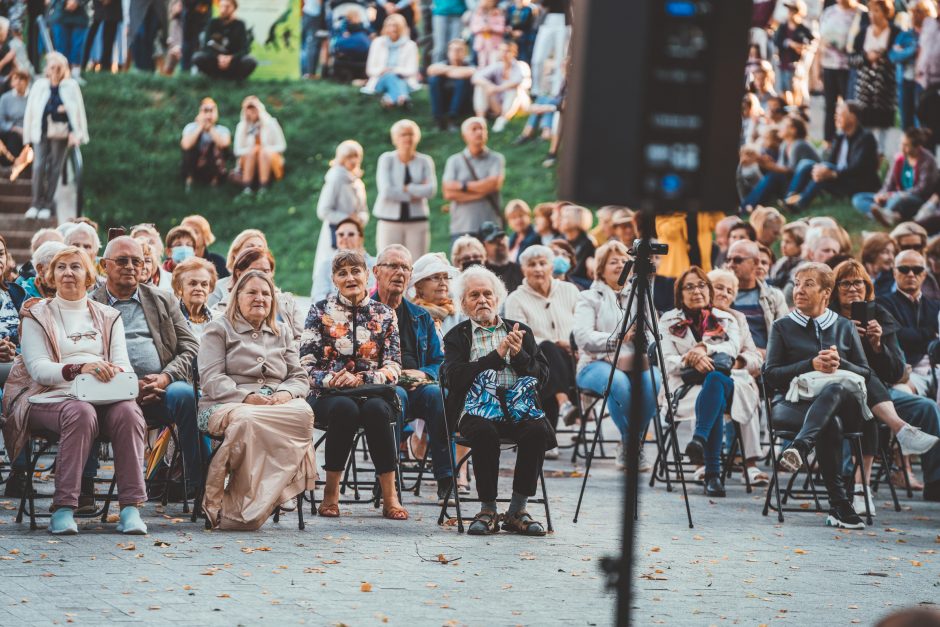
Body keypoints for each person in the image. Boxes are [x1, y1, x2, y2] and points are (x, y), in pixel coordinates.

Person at [766, 262, 939, 528]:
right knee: (831, 422)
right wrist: (810, 364)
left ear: (826, 292)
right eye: (797, 283)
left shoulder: (844, 326)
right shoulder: (782, 326)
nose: (798, 290)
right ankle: (841, 505)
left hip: (840, 402)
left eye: (808, 284)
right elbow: (770, 377)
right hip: (794, 403)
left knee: (839, 387)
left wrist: (839, 364)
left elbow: (864, 373)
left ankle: (802, 446)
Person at [2, 246, 148, 535]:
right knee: (80, 412)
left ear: (89, 276)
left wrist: (110, 372)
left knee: (129, 412)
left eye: (75, 267)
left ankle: (131, 508)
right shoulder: (36, 314)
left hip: (100, 394)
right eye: (61, 267)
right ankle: (64, 508)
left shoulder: (108, 316)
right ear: (51, 276)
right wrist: (79, 368)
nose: (68, 272)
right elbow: (39, 369)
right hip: (47, 397)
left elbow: (123, 366)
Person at [198, 270, 316, 530]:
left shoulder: (281, 331)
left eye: (266, 293)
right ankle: (233, 504)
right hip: (226, 403)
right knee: (246, 419)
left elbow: (299, 377)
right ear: (236, 297)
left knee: (304, 413)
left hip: (276, 402)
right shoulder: (217, 329)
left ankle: (274, 491)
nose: (260, 298)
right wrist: (247, 397)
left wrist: (286, 393)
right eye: (252, 292)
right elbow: (211, 379)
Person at [442, 265, 554, 536]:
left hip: (518, 409)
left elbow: (543, 377)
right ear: (463, 303)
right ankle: (488, 509)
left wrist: (518, 356)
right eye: (474, 295)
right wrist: (496, 355)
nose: (482, 300)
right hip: (475, 411)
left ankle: (518, 510)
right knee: (483, 431)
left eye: (487, 294)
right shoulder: (458, 336)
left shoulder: (520, 331)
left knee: (537, 429)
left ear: (498, 298)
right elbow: (453, 379)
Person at [300, 250, 408, 521]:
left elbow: (394, 366)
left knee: (376, 411)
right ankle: (331, 494)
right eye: (342, 273)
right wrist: (334, 378)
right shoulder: (319, 311)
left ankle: (389, 497)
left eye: (355, 271)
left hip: (372, 391)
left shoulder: (385, 314)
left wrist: (363, 379)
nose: (350, 277)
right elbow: (306, 364)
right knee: (345, 409)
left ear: (367, 274)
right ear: (334, 279)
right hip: (328, 394)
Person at [91, 236, 201, 501]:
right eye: (122, 260)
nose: (130, 266)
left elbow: (190, 347)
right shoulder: (90, 303)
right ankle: (84, 490)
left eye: (136, 261)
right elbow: (84, 358)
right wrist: (128, 387)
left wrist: (166, 377)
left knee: (185, 395)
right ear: (105, 265)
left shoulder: (162, 300)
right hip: (109, 394)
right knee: (84, 405)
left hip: (159, 391)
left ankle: (196, 486)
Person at [829, 259, 940, 504]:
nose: (852, 288)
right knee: (861, 392)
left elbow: (896, 371)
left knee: (927, 407)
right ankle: (897, 432)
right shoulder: (828, 317)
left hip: (883, 395)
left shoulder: (879, 315)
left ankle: (935, 483)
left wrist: (877, 345)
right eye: (844, 283)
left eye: (858, 282)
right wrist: (847, 337)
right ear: (834, 289)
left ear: (867, 287)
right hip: (838, 393)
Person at [371, 245, 454, 502]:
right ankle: (387, 479)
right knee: (395, 396)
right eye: (392, 266)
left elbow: (439, 362)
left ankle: (446, 479)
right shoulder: (364, 314)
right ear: (376, 271)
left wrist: (425, 374)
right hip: (380, 388)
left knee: (439, 395)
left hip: (418, 386)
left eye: (405, 267)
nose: (399, 272)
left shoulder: (421, 316)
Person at [573, 241, 660, 471]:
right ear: (600, 268)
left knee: (654, 380)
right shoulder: (589, 297)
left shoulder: (639, 294)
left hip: (634, 363)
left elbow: (653, 333)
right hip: (595, 363)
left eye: (624, 260)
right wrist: (617, 339)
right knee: (617, 381)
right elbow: (583, 337)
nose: (620, 265)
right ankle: (631, 444)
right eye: (614, 261)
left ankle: (631, 443)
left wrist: (648, 287)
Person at [659, 267, 742, 497]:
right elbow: (665, 361)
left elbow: (732, 349)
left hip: (728, 388)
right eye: (690, 286)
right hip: (684, 390)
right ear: (679, 294)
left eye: (702, 285)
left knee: (715, 381)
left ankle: (700, 442)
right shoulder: (668, 321)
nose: (697, 290)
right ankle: (713, 474)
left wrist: (705, 349)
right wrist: (690, 359)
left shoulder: (726, 319)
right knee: (712, 390)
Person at [505, 244, 580, 436]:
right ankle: (563, 403)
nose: (538, 269)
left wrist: (574, 345)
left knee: (549, 364)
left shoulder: (570, 290)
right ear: (524, 269)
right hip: (532, 362)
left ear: (551, 267)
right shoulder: (516, 298)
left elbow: (582, 324)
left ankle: (547, 437)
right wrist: (556, 343)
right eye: (532, 264)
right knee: (546, 350)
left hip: (575, 359)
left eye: (542, 263)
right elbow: (520, 335)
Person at [708, 268, 768, 485]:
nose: (725, 293)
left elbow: (755, 355)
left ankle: (749, 465)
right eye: (719, 287)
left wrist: (741, 361)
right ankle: (702, 464)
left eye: (730, 290)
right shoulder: (695, 314)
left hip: (736, 375)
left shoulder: (738, 318)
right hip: (704, 375)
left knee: (747, 386)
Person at [22, 52, 87, 222]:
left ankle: (47, 204)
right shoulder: (40, 85)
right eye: (52, 67)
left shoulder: (70, 86)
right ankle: (36, 203)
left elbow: (76, 112)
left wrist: (76, 132)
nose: (55, 70)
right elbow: (32, 110)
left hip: (60, 133)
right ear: (47, 68)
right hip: (41, 131)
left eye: (58, 67)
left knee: (55, 168)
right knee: (38, 166)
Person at [784, 101, 880, 212]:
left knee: (824, 167)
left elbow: (857, 168)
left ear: (852, 118)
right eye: (836, 115)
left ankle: (799, 205)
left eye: (840, 115)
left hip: (857, 183)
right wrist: (824, 170)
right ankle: (789, 199)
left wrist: (833, 173)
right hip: (839, 177)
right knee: (806, 164)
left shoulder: (866, 138)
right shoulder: (839, 136)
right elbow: (830, 161)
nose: (836, 118)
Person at [877, 249, 940, 396]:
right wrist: (930, 333)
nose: (911, 274)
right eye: (904, 269)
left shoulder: (936, 306)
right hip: (908, 371)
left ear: (924, 274)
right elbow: (897, 336)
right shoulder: (882, 304)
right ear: (894, 272)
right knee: (901, 393)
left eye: (917, 269)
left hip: (937, 367)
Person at [212, 247, 304, 343]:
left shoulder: (288, 304)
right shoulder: (222, 310)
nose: (261, 276)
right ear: (239, 274)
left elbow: (302, 340)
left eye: (266, 271)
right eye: (254, 271)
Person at [373, 119, 436, 256]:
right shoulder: (386, 159)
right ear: (395, 138)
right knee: (387, 261)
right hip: (389, 221)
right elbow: (386, 191)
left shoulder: (425, 161)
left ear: (417, 137)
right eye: (403, 134)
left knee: (417, 264)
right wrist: (415, 192)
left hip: (417, 221)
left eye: (411, 134)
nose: (407, 138)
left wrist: (408, 188)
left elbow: (431, 190)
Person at [313, 140, 369, 290]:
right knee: (335, 266)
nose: (353, 161)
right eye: (349, 157)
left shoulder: (357, 182)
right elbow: (323, 210)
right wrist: (346, 218)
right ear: (341, 158)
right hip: (336, 233)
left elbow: (364, 211)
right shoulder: (335, 179)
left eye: (356, 156)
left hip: (354, 234)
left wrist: (359, 219)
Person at [855, 128, 939, 226]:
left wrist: (894, 195)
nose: (901, 148)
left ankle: (880, 214)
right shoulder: (899, 159)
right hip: (894, 197)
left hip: (915, 198)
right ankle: (886, 213)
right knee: (859, 198)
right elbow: (889, 182)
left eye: (906, 145)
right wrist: (882, 194)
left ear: (917, 147)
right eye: (901, 144)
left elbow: (922, 189)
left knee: (899, 198)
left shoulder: (927, 161)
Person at [442, 117, 505, 242]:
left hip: (491, 225)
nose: (479, 132)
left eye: (482, 128)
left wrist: (462, 186)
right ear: (464, 135)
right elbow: (448, 193)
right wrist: (481, 192)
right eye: (474, 129)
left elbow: (493, 185)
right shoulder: (454, 161)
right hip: (462, 226)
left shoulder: (496, 159)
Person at [741, 116, 819, 211]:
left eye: (784, 125)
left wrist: (768, 165)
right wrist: (765, 162)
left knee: (774, 175)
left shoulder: (799, 144)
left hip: (806, 184)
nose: (780, 128)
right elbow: (780, 167)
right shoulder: (784, 145)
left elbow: (791, 171)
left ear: (793, 130)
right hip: (793, 183)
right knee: (773, 175)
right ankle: (748, 206)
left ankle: (746, 207)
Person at [852, 0, 900, 146]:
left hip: (885, 90)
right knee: (864, 129)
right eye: (871, 11)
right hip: (865, 90)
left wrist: (883, 56)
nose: (873, 15)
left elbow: (899, 56)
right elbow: (851, 59)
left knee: (882, 132)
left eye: (877, 11)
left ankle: (881, 160)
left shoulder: (895, 32)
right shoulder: (862, 33)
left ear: (886, 12)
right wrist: (867, 58)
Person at [725, 239, 787, 352]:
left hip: (765, 363)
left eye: (737, 260)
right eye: (728, 259)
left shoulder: (774, 297)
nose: (730, 265)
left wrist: (767, 355)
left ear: (755, 262)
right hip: (730, 359)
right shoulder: (718, 296)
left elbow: (785, 337)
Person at [818, 0, 861, 142]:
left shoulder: (859, 13)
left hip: (848, 67)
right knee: (830, 105)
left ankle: (851, 138)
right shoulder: (829, 12)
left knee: (849, 105)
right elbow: (821, 39)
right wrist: (817, 66)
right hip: (829, 64)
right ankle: (828, 140)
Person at [310, 217, 376, 303]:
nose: (345, 237)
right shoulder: (326, 265)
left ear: (360, 238)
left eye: (351, 234)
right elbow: (317, 297)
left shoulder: (374, 263)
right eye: (341, 234)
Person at [362, 14, 421, 108]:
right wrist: (383, 70)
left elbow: (412, 70)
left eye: (395, 26)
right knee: (390, 76)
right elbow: (370, 70)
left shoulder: (410, 45)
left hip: (403, 79)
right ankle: (403, 98)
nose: (392, 29)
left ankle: (389, 99)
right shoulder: (377, 42)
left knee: (394, 77)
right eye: (389, 26)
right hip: (380, 79)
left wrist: (395, 70)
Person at [471, 42, 531, 133]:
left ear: (514, 53)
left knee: (514, 90)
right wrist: (489, 85)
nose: (504, 54)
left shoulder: (520, 66)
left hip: (516, 103)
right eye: (502, 51)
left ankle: (502, 119)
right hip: (497, 102)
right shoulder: (497, 65)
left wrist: (496, 88)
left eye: (507, 51)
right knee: (481, 86)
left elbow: (516, 82)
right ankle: (481, 118)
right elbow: (476, 77)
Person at [232, 96, 286, 197]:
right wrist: (253, 150)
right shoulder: (242, 126)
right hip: (249, 159)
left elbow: (281, 146)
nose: (252, 111)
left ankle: (263, 187)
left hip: (269, 159)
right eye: (249, 108)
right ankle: (247, 188)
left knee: (262, 152)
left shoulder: (271, 123)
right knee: (253, 151)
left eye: (254, 108)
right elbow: (237, 151)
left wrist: (263, 149)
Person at [192, 0, 257, 80]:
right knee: (197, 57)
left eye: (227, 6)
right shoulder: (212, 23)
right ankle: (213, 77)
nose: (223, 9)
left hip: (234, 62)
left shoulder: (240, 24)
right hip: (215, 60)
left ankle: (237, 79)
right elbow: (206, 47)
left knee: (250, 61)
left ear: (234, 8)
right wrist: (218, 57)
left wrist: (231, 58)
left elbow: (245, 49)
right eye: (221, 6)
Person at [180, 98, 231, 190]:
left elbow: (224, 145)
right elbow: (186, 145)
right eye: (205, 111)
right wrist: (200, 126)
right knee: (190, 147)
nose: (208, 114)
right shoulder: (190, 127)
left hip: (213, 165)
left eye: (211, 111)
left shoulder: (223, 130)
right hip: (194, 163)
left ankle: (214, 182)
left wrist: (210, 128)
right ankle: (189, 181)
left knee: (217, 147)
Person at [209, 228, 267, 308]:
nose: (255, 251)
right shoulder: (218, 288)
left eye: (260, 248)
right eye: (249, 247)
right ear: (235, 253)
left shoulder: (274, 291)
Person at [427, 38, 475, 131]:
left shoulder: (469, 64)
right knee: (434, 79)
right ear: (448, 52)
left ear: (465, 52)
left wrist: (446, 71)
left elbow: (469, 72)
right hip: (444, 101)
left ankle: (452, 118)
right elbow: (430, 70)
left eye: (459, 50)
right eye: (453, 50)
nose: (455, 52)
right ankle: (438, 118)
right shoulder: (443, 63)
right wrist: (454, 70)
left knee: (462, 80)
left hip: (464, 104)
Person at [409, 252, 461, 337]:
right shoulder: (409, 315)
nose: (443, 283)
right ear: (419, 285)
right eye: (435, 277)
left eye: (446, 277)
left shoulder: (459, 313)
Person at [773, 0, 814, 104]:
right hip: (783, 62)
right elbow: (777, 41)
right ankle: (785, 107)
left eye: (793, 10)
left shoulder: (803, 29)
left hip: (795, 64)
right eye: (789, 10)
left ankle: (795, 107)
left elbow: (811, 42)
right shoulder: (783, 27)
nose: (790, 13)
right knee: (783, 88)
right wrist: (789, 43)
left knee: (794, 86)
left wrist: (801, 47)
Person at [529, 0, 569, 99]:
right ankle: (536, 90)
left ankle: (556, 91)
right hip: (547, 21)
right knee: (537, 59)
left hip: (563, 22)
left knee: (560, 59)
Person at [172, 256, 217, 339]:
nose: (199, 288)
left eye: (204, 284)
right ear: (179, 288)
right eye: (193, 283)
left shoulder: (220, 319)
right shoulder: (170, 319)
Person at [478, 220, 523, 293]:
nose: (500, 243)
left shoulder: (520, 271)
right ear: (483, 246)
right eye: (493, 240)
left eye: (502, 237)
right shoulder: (480, 274)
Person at [180, 215, 229, 281]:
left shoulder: (218, 262)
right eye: (186, 232)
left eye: (195, 232)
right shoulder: (175, 262)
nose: (190, 236)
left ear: (205, 237)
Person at [48, 0, 90, 75]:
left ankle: (75, 73)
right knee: (61, 47)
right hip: (60, 13)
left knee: (78, 46)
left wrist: (77, 2)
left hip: (81, 14)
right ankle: (62, 73)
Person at [558, 204, 595, 289]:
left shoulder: (587, 242)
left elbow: (576, 271)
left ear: (575, 220)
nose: (560, 220)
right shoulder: (560, 239)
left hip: (579, 283)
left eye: (565, 217)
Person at [81, 0, 121, 73]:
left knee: (109, 39)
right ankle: (82, 64)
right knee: (88, 37)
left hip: (113, 8)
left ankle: (105, 66)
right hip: (94, 7)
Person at [0, 69, 28, 167]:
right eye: (16, 79)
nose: (18, 82)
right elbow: (1, 121)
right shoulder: (5, 98)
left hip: (27, 132)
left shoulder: (31, 98)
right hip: (11, 130)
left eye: (22, 79)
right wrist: (14, 128)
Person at [860, 232, 896, 298]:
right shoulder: (857, 275)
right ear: (872, 253)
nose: (891, 257)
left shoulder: (894, 279)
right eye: (885, 252)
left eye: (893, 253)